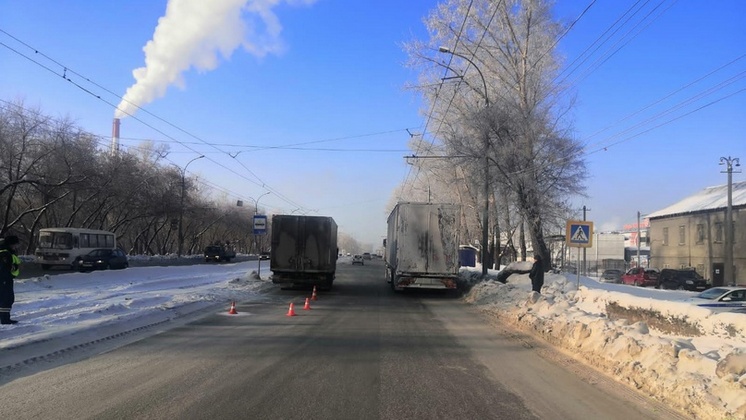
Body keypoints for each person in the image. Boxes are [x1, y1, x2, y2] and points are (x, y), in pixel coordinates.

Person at [0, 235, 21, 325]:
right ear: (11, 244)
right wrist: (15, 267)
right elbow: (6, 267)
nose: (16, 247)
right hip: (4, 279)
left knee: (5, 298)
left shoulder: (7, 252)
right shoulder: (5, 253)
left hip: (5, 278)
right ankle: (5, 319)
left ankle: (4, 317)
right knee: (7, 298)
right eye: (15, 244)